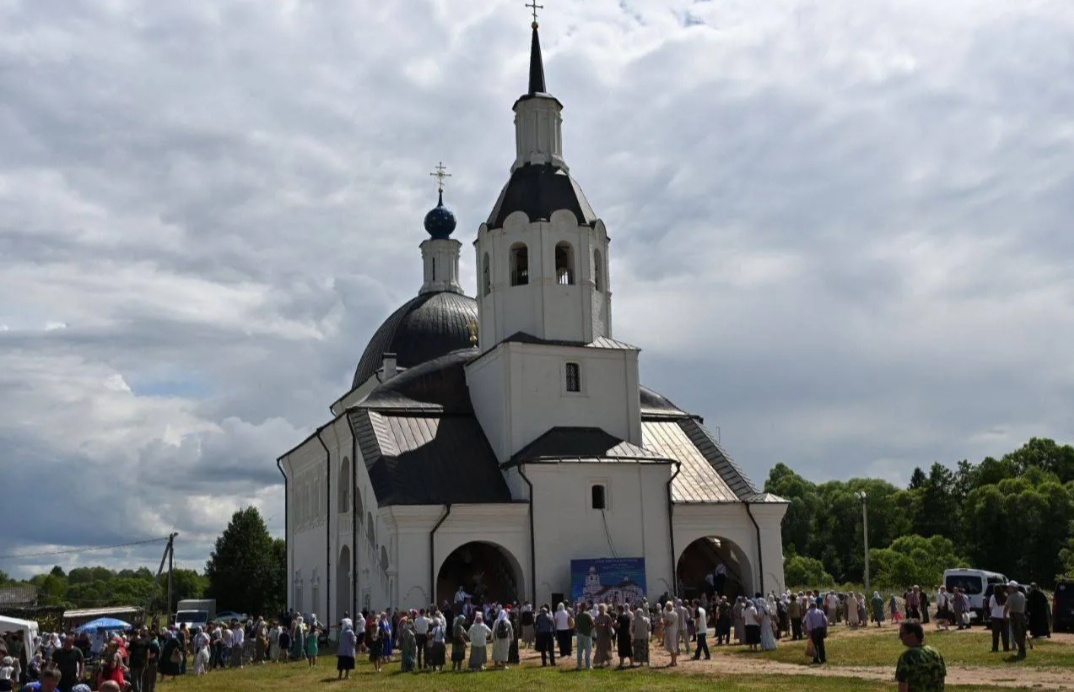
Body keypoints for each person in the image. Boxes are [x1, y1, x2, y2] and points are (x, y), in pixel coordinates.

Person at [895, 621, 946, 692]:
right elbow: (941, 680)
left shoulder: (907, 657)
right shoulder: (935, 653)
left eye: (902, 634)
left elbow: (903, 687)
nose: (900, 637)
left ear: (912, 635)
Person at [1005, 581, 1028, 659]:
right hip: (1022, 616)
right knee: (1022, 634)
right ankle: (1022, 650)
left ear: (1013, 588)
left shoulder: (1011, 597)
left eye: (1009, 587)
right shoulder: (1022, 595)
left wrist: (1004, 615)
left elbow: (1006, 607)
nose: (1008, 589)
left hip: (1014, 617)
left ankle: (1022, 651)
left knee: (1016, 635)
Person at [989, 587, 1010, 653]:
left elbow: (990, 606)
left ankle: (995, 648)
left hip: (995, 616)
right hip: (1005, 616)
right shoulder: (1006, 596)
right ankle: (1006, 647)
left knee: (996, 634)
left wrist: (991, 613)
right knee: (1005, 634)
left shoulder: (993, 596)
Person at [574, 605, 593, 670]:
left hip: (579, 634)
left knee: (579, 650)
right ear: (585, 607)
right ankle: (588, 666)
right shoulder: (587, 614)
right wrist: (589, 630)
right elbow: (592, 624)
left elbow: (575, 626)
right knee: (588, 650)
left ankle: (579, 665)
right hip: (587, 634)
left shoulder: (577, 615)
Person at [661, 601, 680, 667]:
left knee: (672, 646)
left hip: (670, 631)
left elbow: (667, 623)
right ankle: (675, 661)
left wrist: (663, 623)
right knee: (674, 645)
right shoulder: (675, 613)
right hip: (675, 630)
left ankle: (673, 662)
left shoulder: (669, 614)